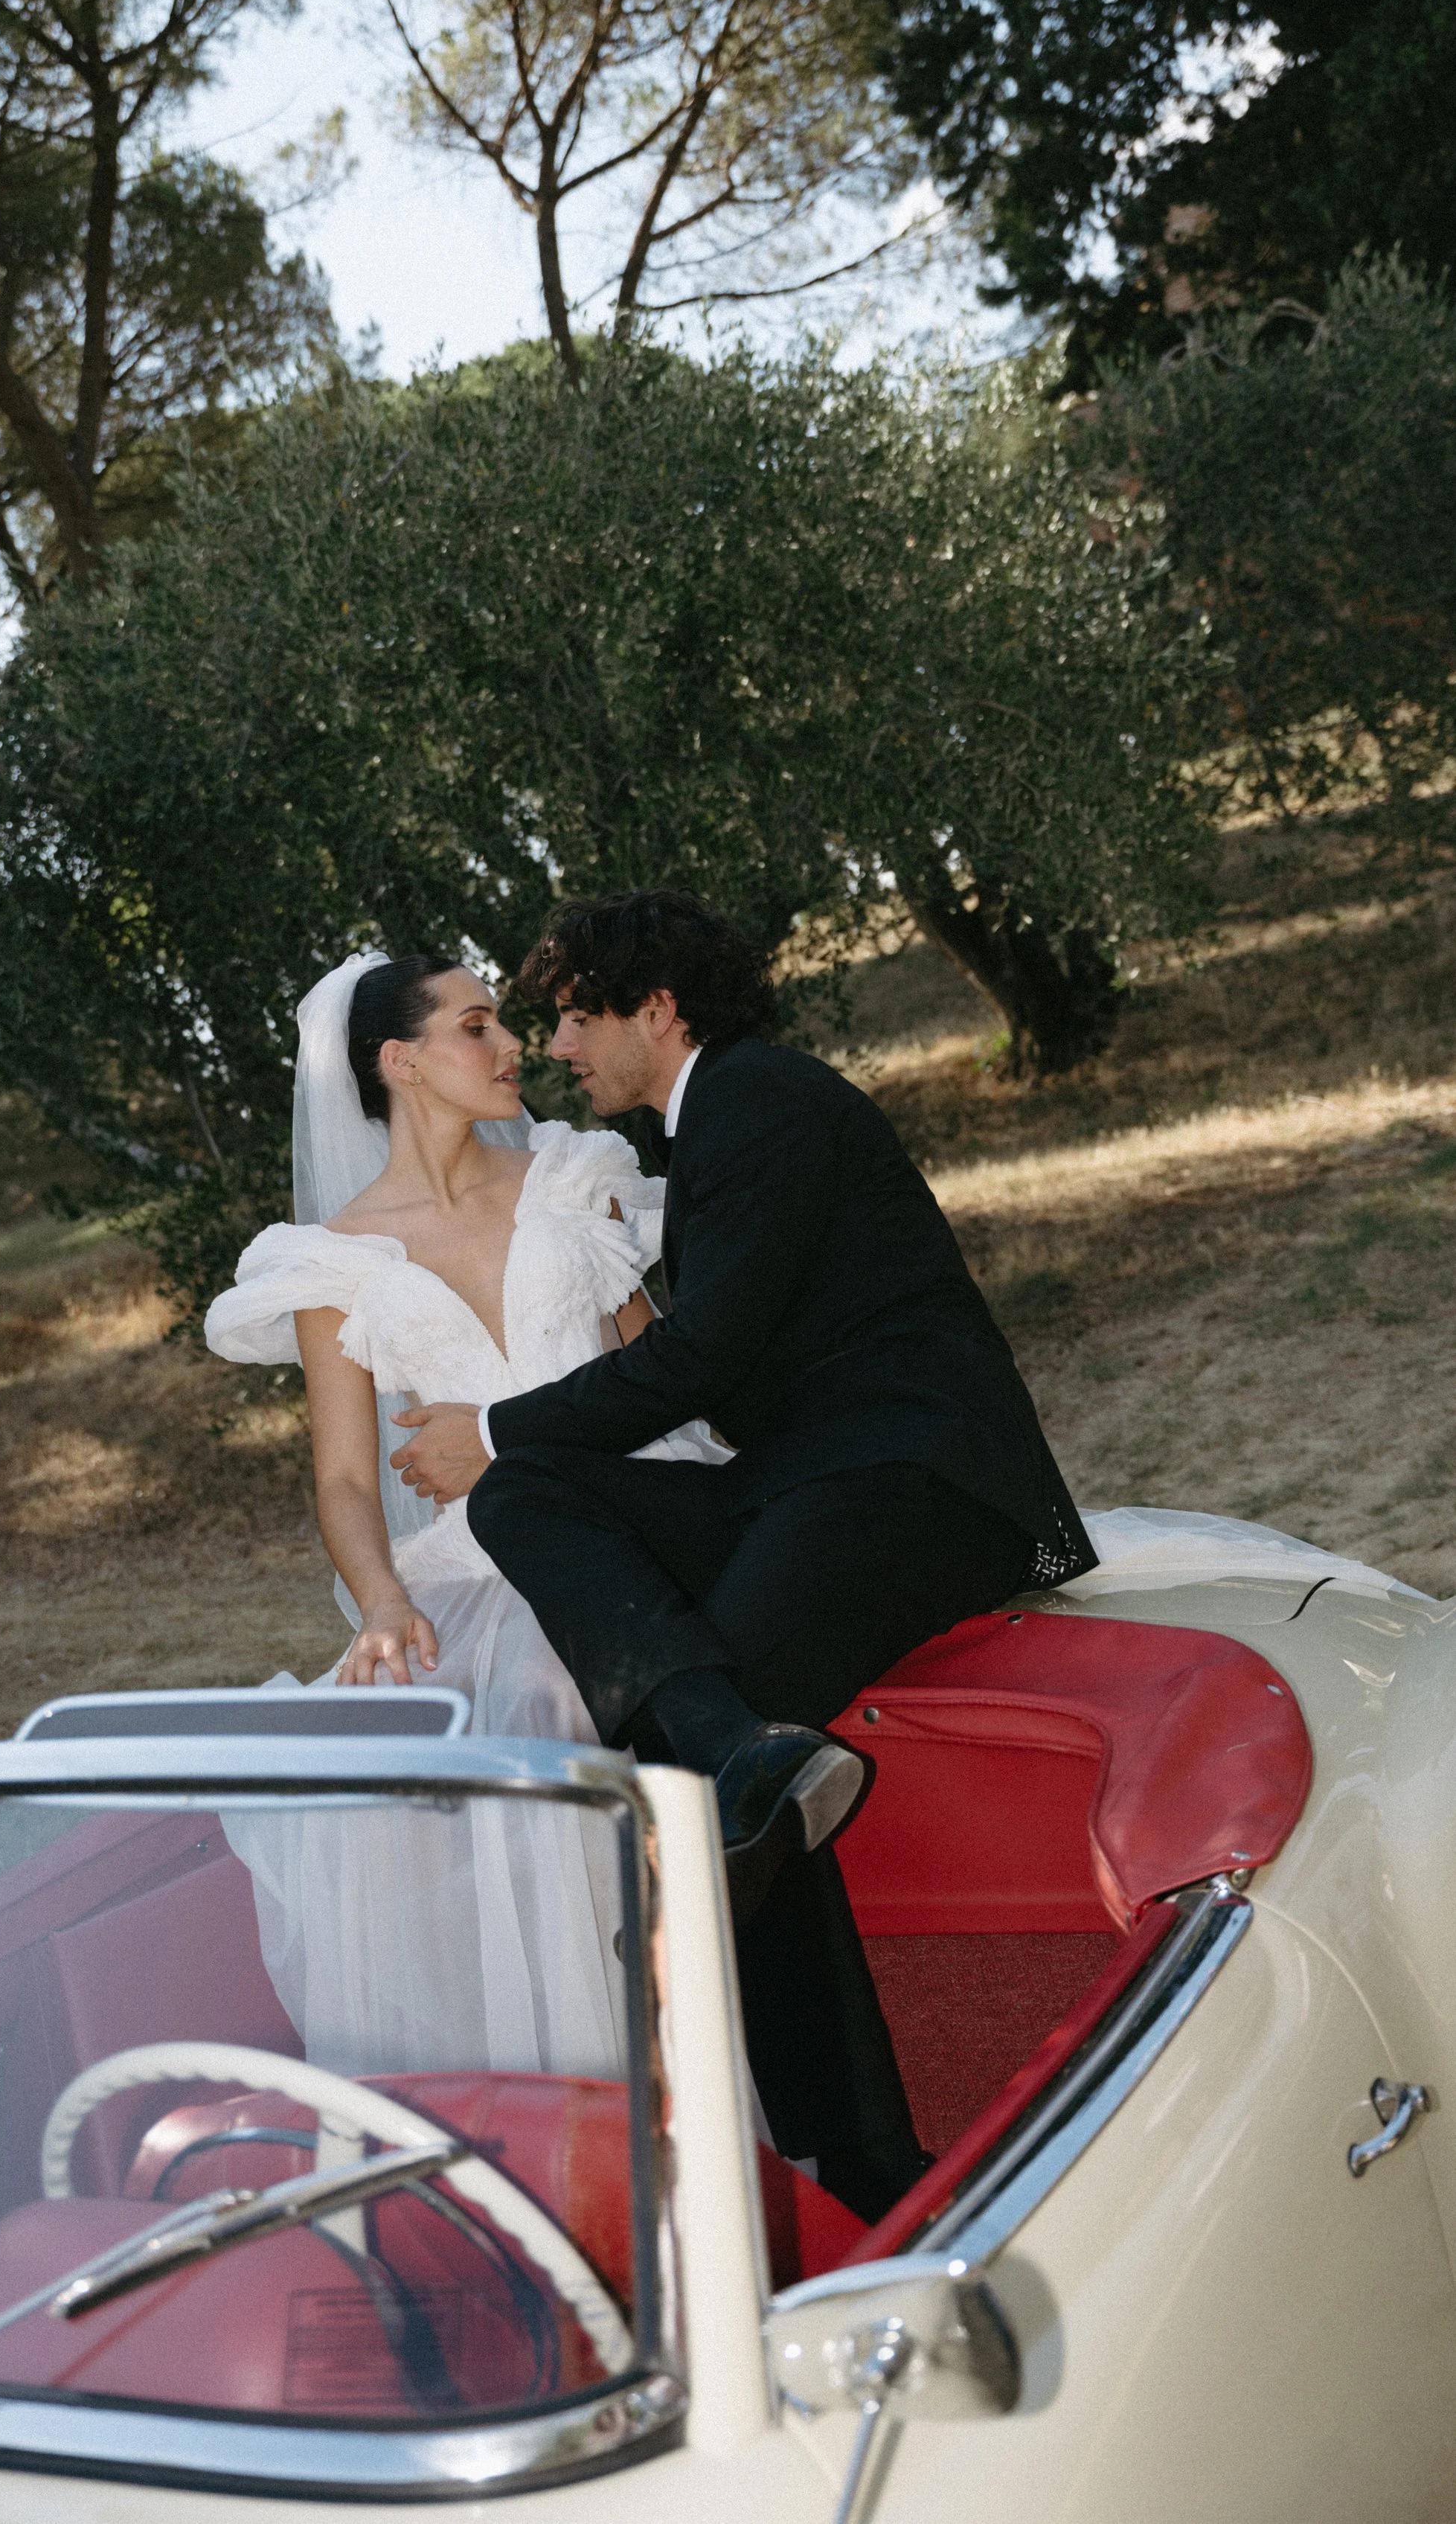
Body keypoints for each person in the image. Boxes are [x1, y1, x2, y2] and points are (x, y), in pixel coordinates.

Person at [391, 888, 1096, 2216]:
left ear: (658, 1009)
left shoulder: (761, 1098)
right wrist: (513, 1450)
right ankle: (739, 1764)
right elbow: (701, 1371)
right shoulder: (701, 1130)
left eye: (575, 1016)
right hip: (793, 1491)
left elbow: (699, 1360)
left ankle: (865, 2145)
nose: (560, 1048)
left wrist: (491, 1421)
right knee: (525, 1503)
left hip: (911, 1484)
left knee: (708, 1736)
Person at [202, 947, 725, 2086]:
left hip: (634, 1501)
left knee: (543, 1689)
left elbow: (661, 1371)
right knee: (389, 1734)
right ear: (401, 1062)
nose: (511, 1049)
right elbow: (345, 1478)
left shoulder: (567, 1175)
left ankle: (649, 2053)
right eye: (476, 1027)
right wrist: (383, 1600)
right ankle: (529, 2086)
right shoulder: (331, 1259)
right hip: (469, 1562)